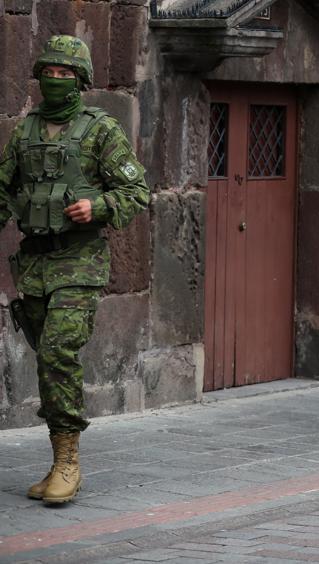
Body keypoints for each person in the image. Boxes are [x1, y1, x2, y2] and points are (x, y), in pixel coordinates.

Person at [0, 36, 152, 504]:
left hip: (79, 262)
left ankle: (69, 461)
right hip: (35, 263)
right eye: (49, 71)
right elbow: (2, 189)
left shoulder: (100, 131)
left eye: (65, 73)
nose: (55, 79)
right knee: (47, 360)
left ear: (80, 80)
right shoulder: (25, 132)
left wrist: (97, 206)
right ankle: (57, 459)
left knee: (57, 352)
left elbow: (137, 192)